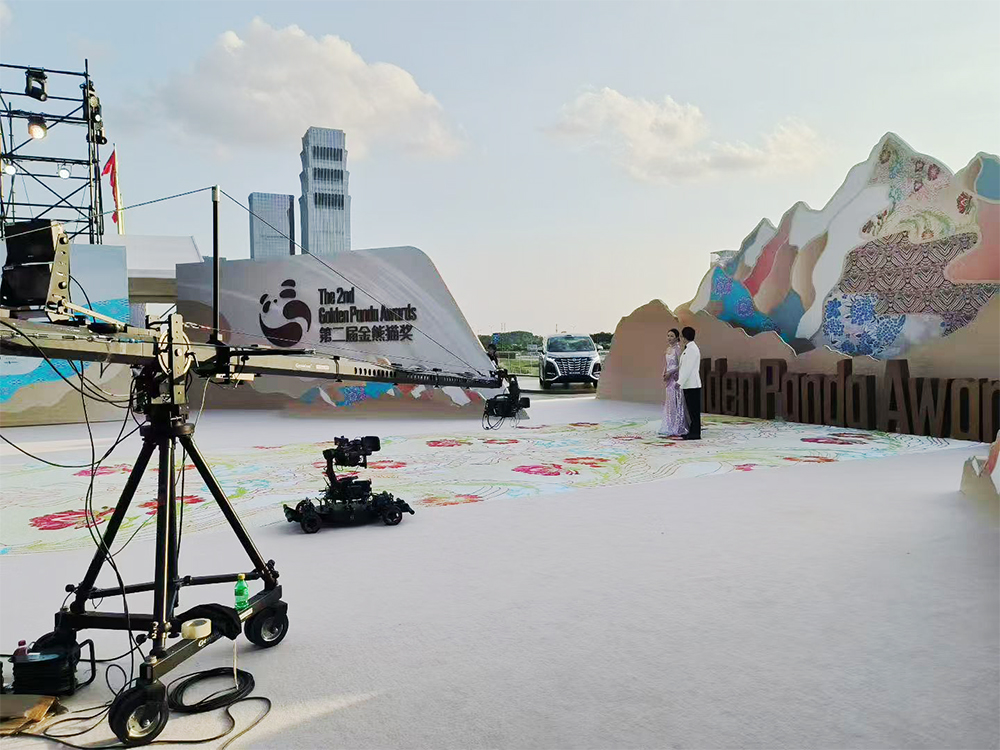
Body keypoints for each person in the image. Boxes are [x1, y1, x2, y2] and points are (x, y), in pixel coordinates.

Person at [658, 328, 688, 437]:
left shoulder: (678, 349)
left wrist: (670, 373)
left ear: (676, 338)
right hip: (668, 378)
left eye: (671, 336)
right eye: (668, 336)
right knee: (669, 402)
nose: (669, 338)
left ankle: (678, 426)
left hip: (675, 378)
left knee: (676, 401)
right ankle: (669, 425)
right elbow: (667, 363)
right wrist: (664, 372)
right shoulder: (668, 349)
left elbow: (680, 365)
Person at [678, 326, 702, 440]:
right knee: (691, 410)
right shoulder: (689, 348)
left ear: (684, 337)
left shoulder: (692, 350)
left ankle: (695, 433)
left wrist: (679, 382)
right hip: (689, 384)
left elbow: (687, 368)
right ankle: (693, 431)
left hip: (692, 384)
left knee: (694, 410)